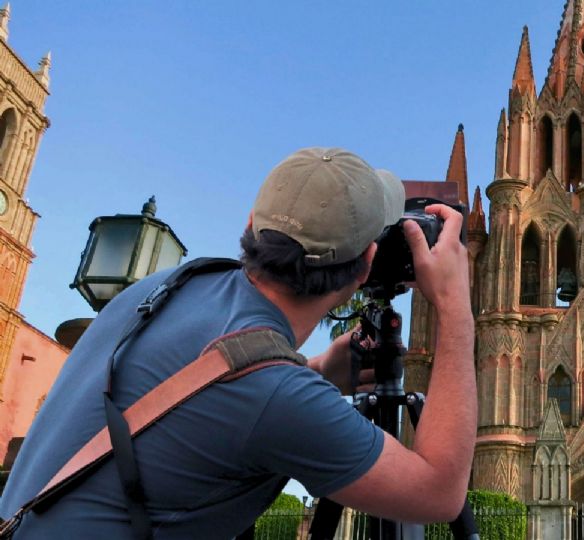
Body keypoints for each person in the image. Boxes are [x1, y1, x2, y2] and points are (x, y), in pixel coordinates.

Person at [0, 148, 476, 538]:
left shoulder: (169, 285)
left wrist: (315, 370)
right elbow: (439, 492)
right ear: (367, 261)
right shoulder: (274, 394)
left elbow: (214, 399)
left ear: (253, 223)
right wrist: (455, 310)